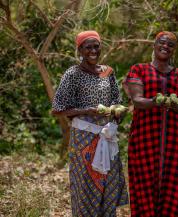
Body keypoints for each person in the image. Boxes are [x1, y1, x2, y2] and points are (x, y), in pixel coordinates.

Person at [51, 30, 128, 216]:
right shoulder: (73, 73)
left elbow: (117, 101)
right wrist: (87, 110)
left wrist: (118, 112)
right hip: (83, 140)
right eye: (88, 47)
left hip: (107, 137)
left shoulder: (108, 72)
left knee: (107, 182)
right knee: (85, 184)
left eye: (96, 46)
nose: (93, 50)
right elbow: (57, 109)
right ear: (80, 50)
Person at [124, 31, 178, 217]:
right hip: (145, 139)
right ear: (154, 45)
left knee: (173, 188)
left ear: (174, 50)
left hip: (174, 143)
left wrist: (175, 103)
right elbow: (137, 100)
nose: (165, 47)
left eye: (170, 45)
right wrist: (156, 101)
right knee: (143, 185)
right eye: (162, 43)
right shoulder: (139, 69)